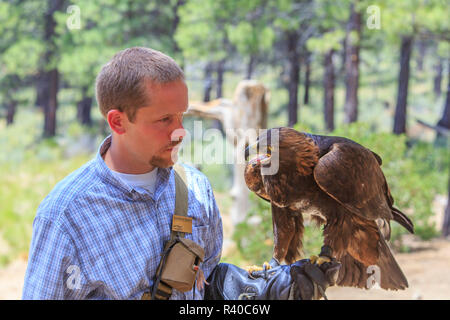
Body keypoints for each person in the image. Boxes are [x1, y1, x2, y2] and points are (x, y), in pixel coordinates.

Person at [22, 47, 339, 300]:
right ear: (118, 122)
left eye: (181, 116)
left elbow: (204, 286)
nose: (181, 132)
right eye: (164, 120)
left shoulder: (195, 188)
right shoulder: (65, 215)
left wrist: (262, 292)